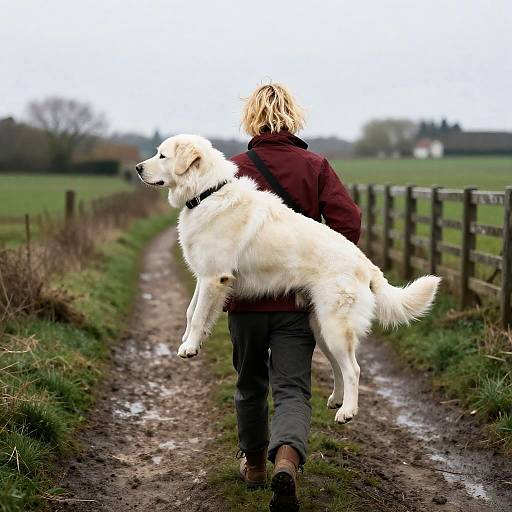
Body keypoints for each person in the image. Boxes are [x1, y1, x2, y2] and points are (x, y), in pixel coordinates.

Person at [227, 83, 361, 512]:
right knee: (292, 388)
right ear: (293, 118)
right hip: (297, 302)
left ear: (251, 119)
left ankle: (254, 466)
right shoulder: (315, 165)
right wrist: (318, 275)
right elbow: (347, 223)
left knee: (250, 384)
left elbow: (217, 237)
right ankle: (286, 459)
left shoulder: (232, 169)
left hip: (245, 303)